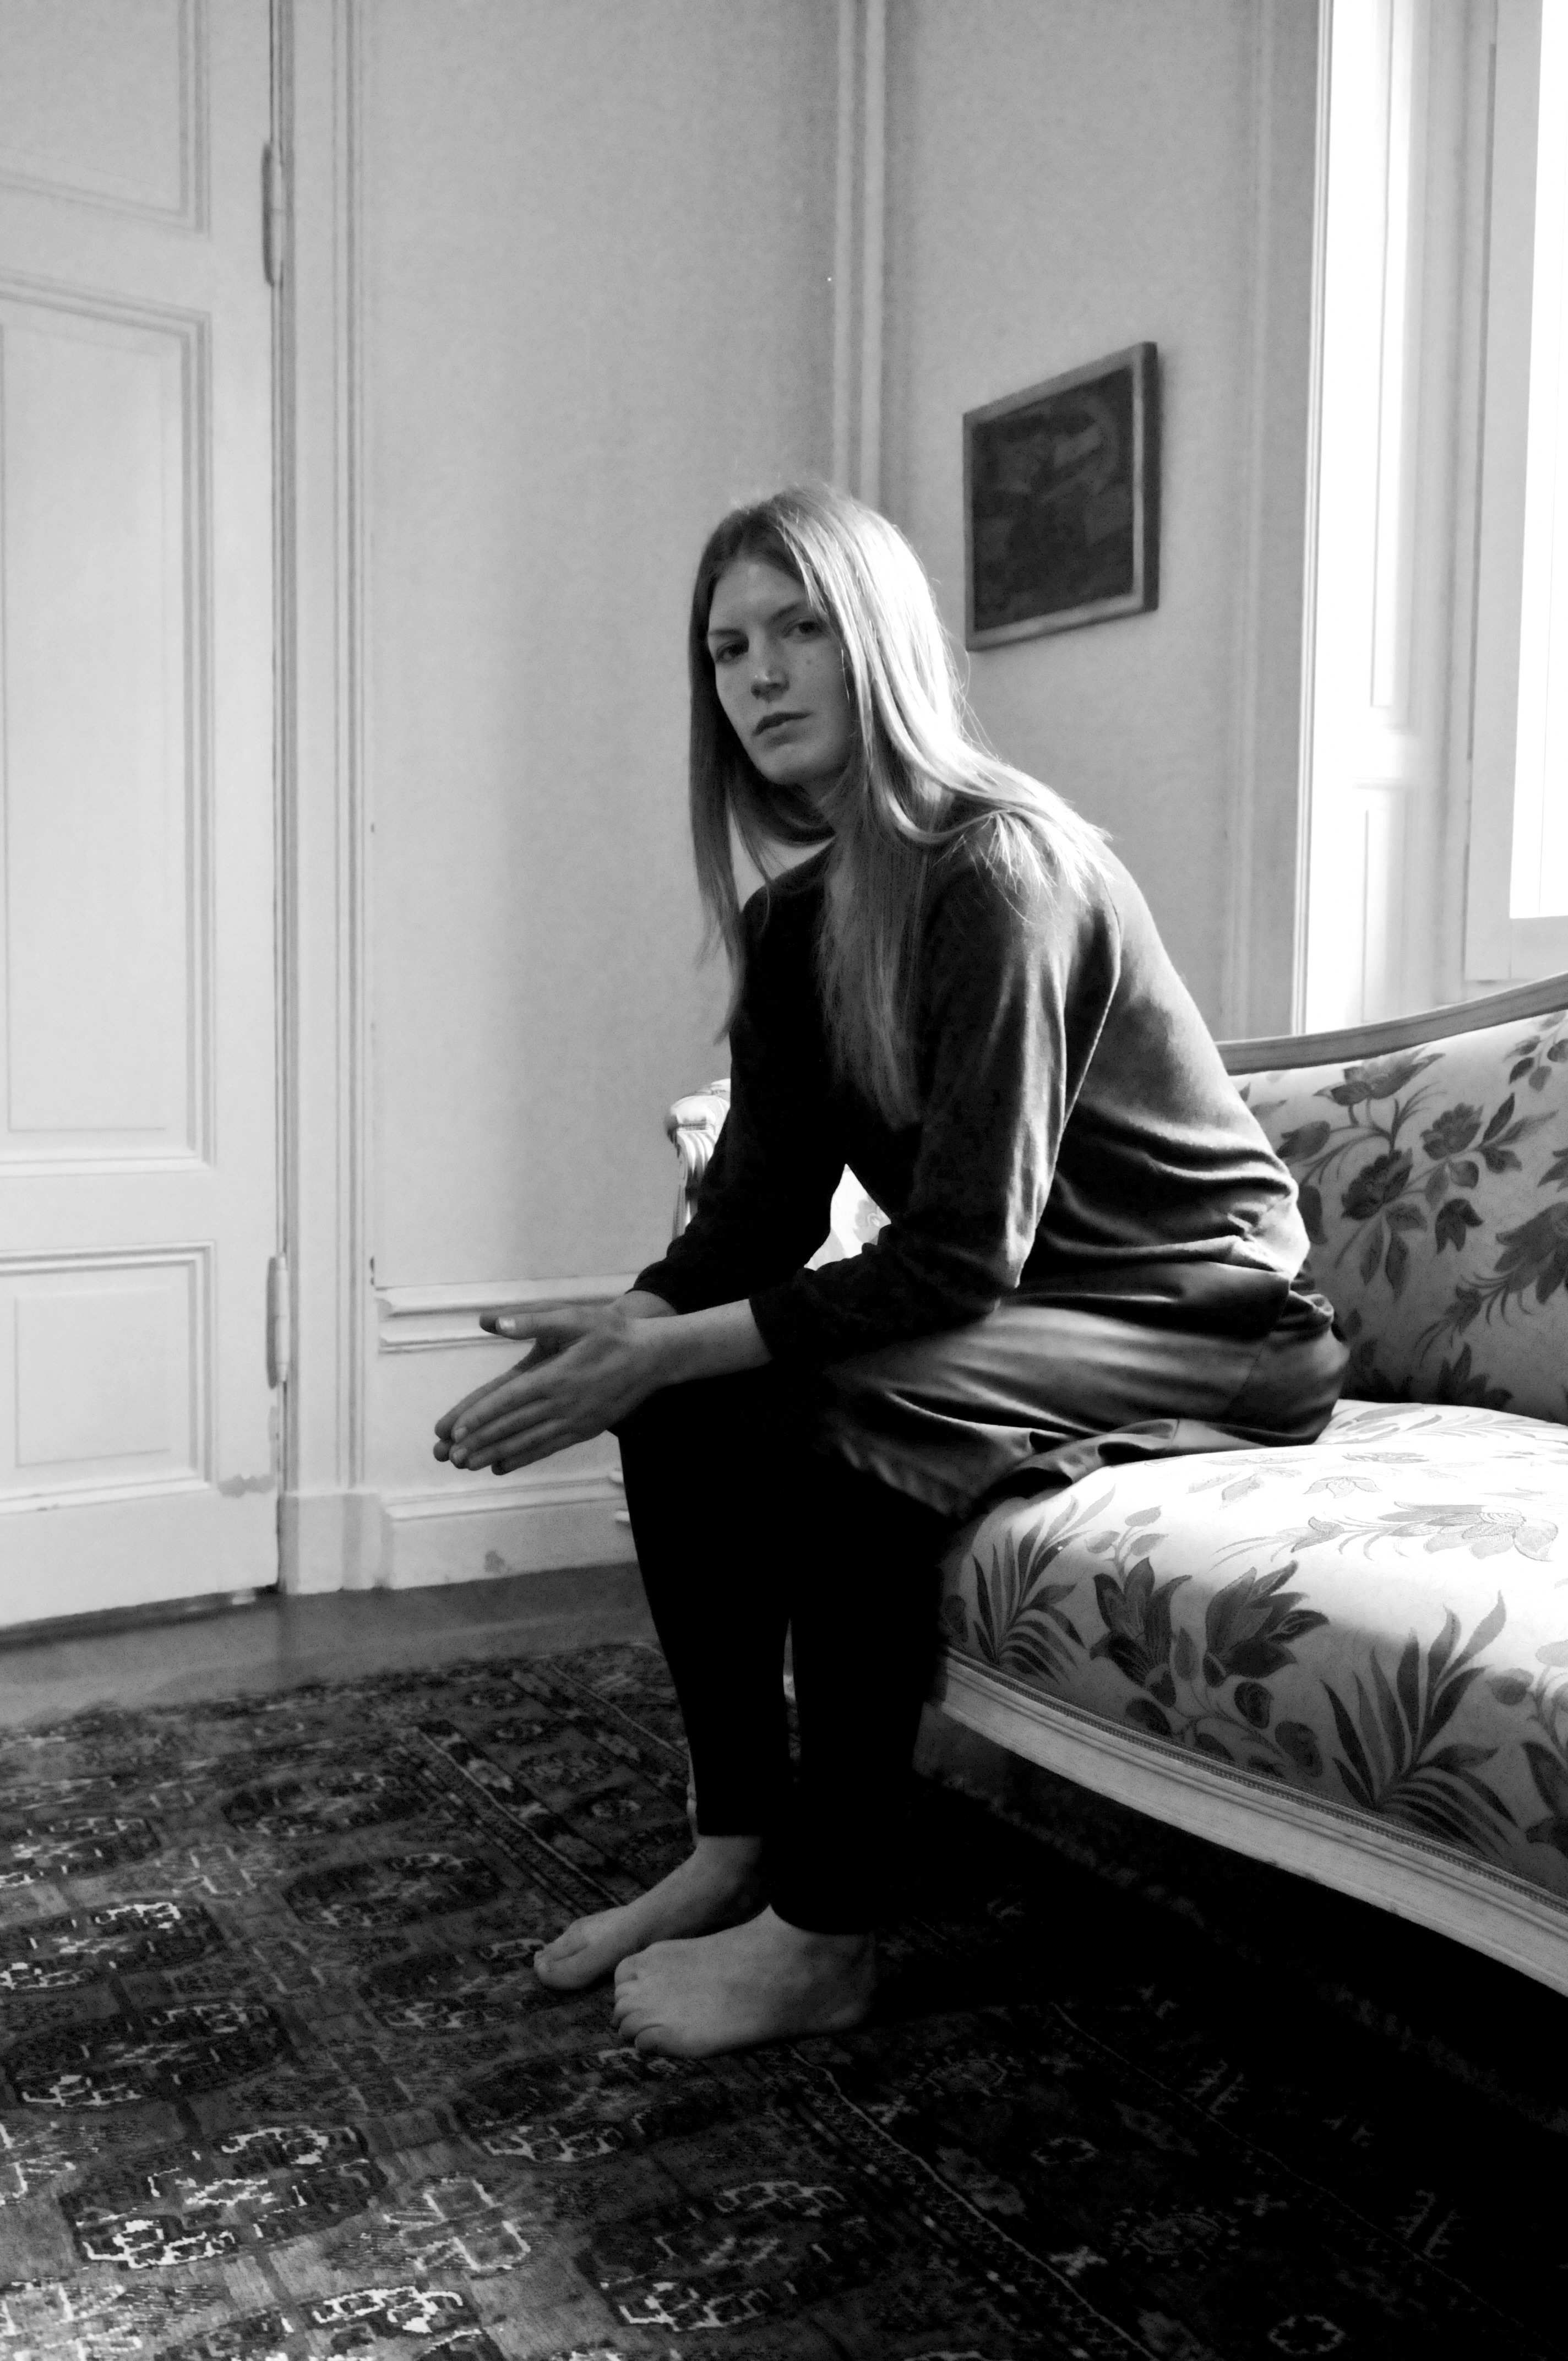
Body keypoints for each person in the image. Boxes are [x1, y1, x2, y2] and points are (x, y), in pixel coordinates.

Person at [432, 484, 1347, 2063]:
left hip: (1208, 1312)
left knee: (835, 1423)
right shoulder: (797, 921)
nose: (760, 676)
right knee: (676, 1402)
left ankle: (826, 1934)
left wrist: (677, 1346)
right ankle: (735, 1838)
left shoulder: (1007, 869)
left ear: (880, 643)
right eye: (728, 649)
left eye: (800, 629)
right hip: (1032, 1310)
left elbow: (958, 1255)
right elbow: (756, 1216)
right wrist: (628, 1332)